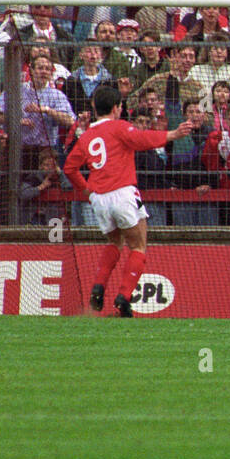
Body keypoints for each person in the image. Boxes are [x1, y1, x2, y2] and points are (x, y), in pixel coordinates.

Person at [63, 85, 195, 317]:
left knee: (115, 243)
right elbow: (142, 139)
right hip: (122, 192)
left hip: (99, 199)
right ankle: (123, 297)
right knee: (138, 246)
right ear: (116, 108)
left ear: (95, 108)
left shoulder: (86, 136)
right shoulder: (120, 127)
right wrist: (173, 134)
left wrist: (87, 191)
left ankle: (98, 286)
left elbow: (69, 168)